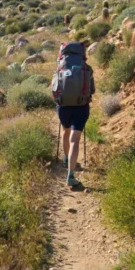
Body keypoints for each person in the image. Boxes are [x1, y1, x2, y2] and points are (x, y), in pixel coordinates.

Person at [51, 41, 94, 189]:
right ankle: (71, 175)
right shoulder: (86, 68)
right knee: (75, 139)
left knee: (65, 131)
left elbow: (54, 89)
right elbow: (92, 90)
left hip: (63, 107)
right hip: (81, 107)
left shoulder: (60, 67)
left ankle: (65, 158)